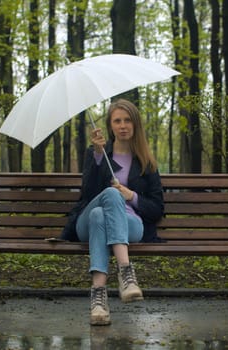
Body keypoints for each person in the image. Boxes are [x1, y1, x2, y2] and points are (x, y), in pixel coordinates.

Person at [61, 98, 165, 326]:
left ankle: (98, 299)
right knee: (107, 198)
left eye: (127, 120)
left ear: (135, 124)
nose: (123, 125)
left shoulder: (146, 161)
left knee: (103, 214)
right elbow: (87, 195)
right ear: (110, 126)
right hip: (87, 224)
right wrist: (98, 156)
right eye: (117, 121)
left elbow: (157, 209)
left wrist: (132, 196)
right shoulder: (97, 154)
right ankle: (126, 273)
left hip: (131, 225)